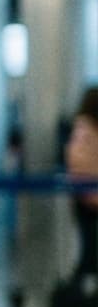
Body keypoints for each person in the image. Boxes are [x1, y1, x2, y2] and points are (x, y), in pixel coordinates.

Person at [66, 88, 98, 272]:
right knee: (90, 253)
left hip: (87, 196)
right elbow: (79, 162)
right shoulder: (86, 129)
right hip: (89, 197)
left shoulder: (86, 129)